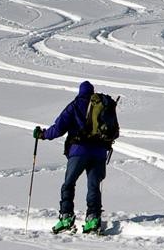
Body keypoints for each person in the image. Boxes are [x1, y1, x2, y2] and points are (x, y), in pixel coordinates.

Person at [34, 81, 109, 234]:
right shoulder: (103, 106)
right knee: (93, 186)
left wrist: (43, 134)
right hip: (100, 152)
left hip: (79, 151)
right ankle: (93, 219)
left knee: (69, 183)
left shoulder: (75, 105)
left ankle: (66, 217)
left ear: (80, 92)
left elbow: (59, 128)